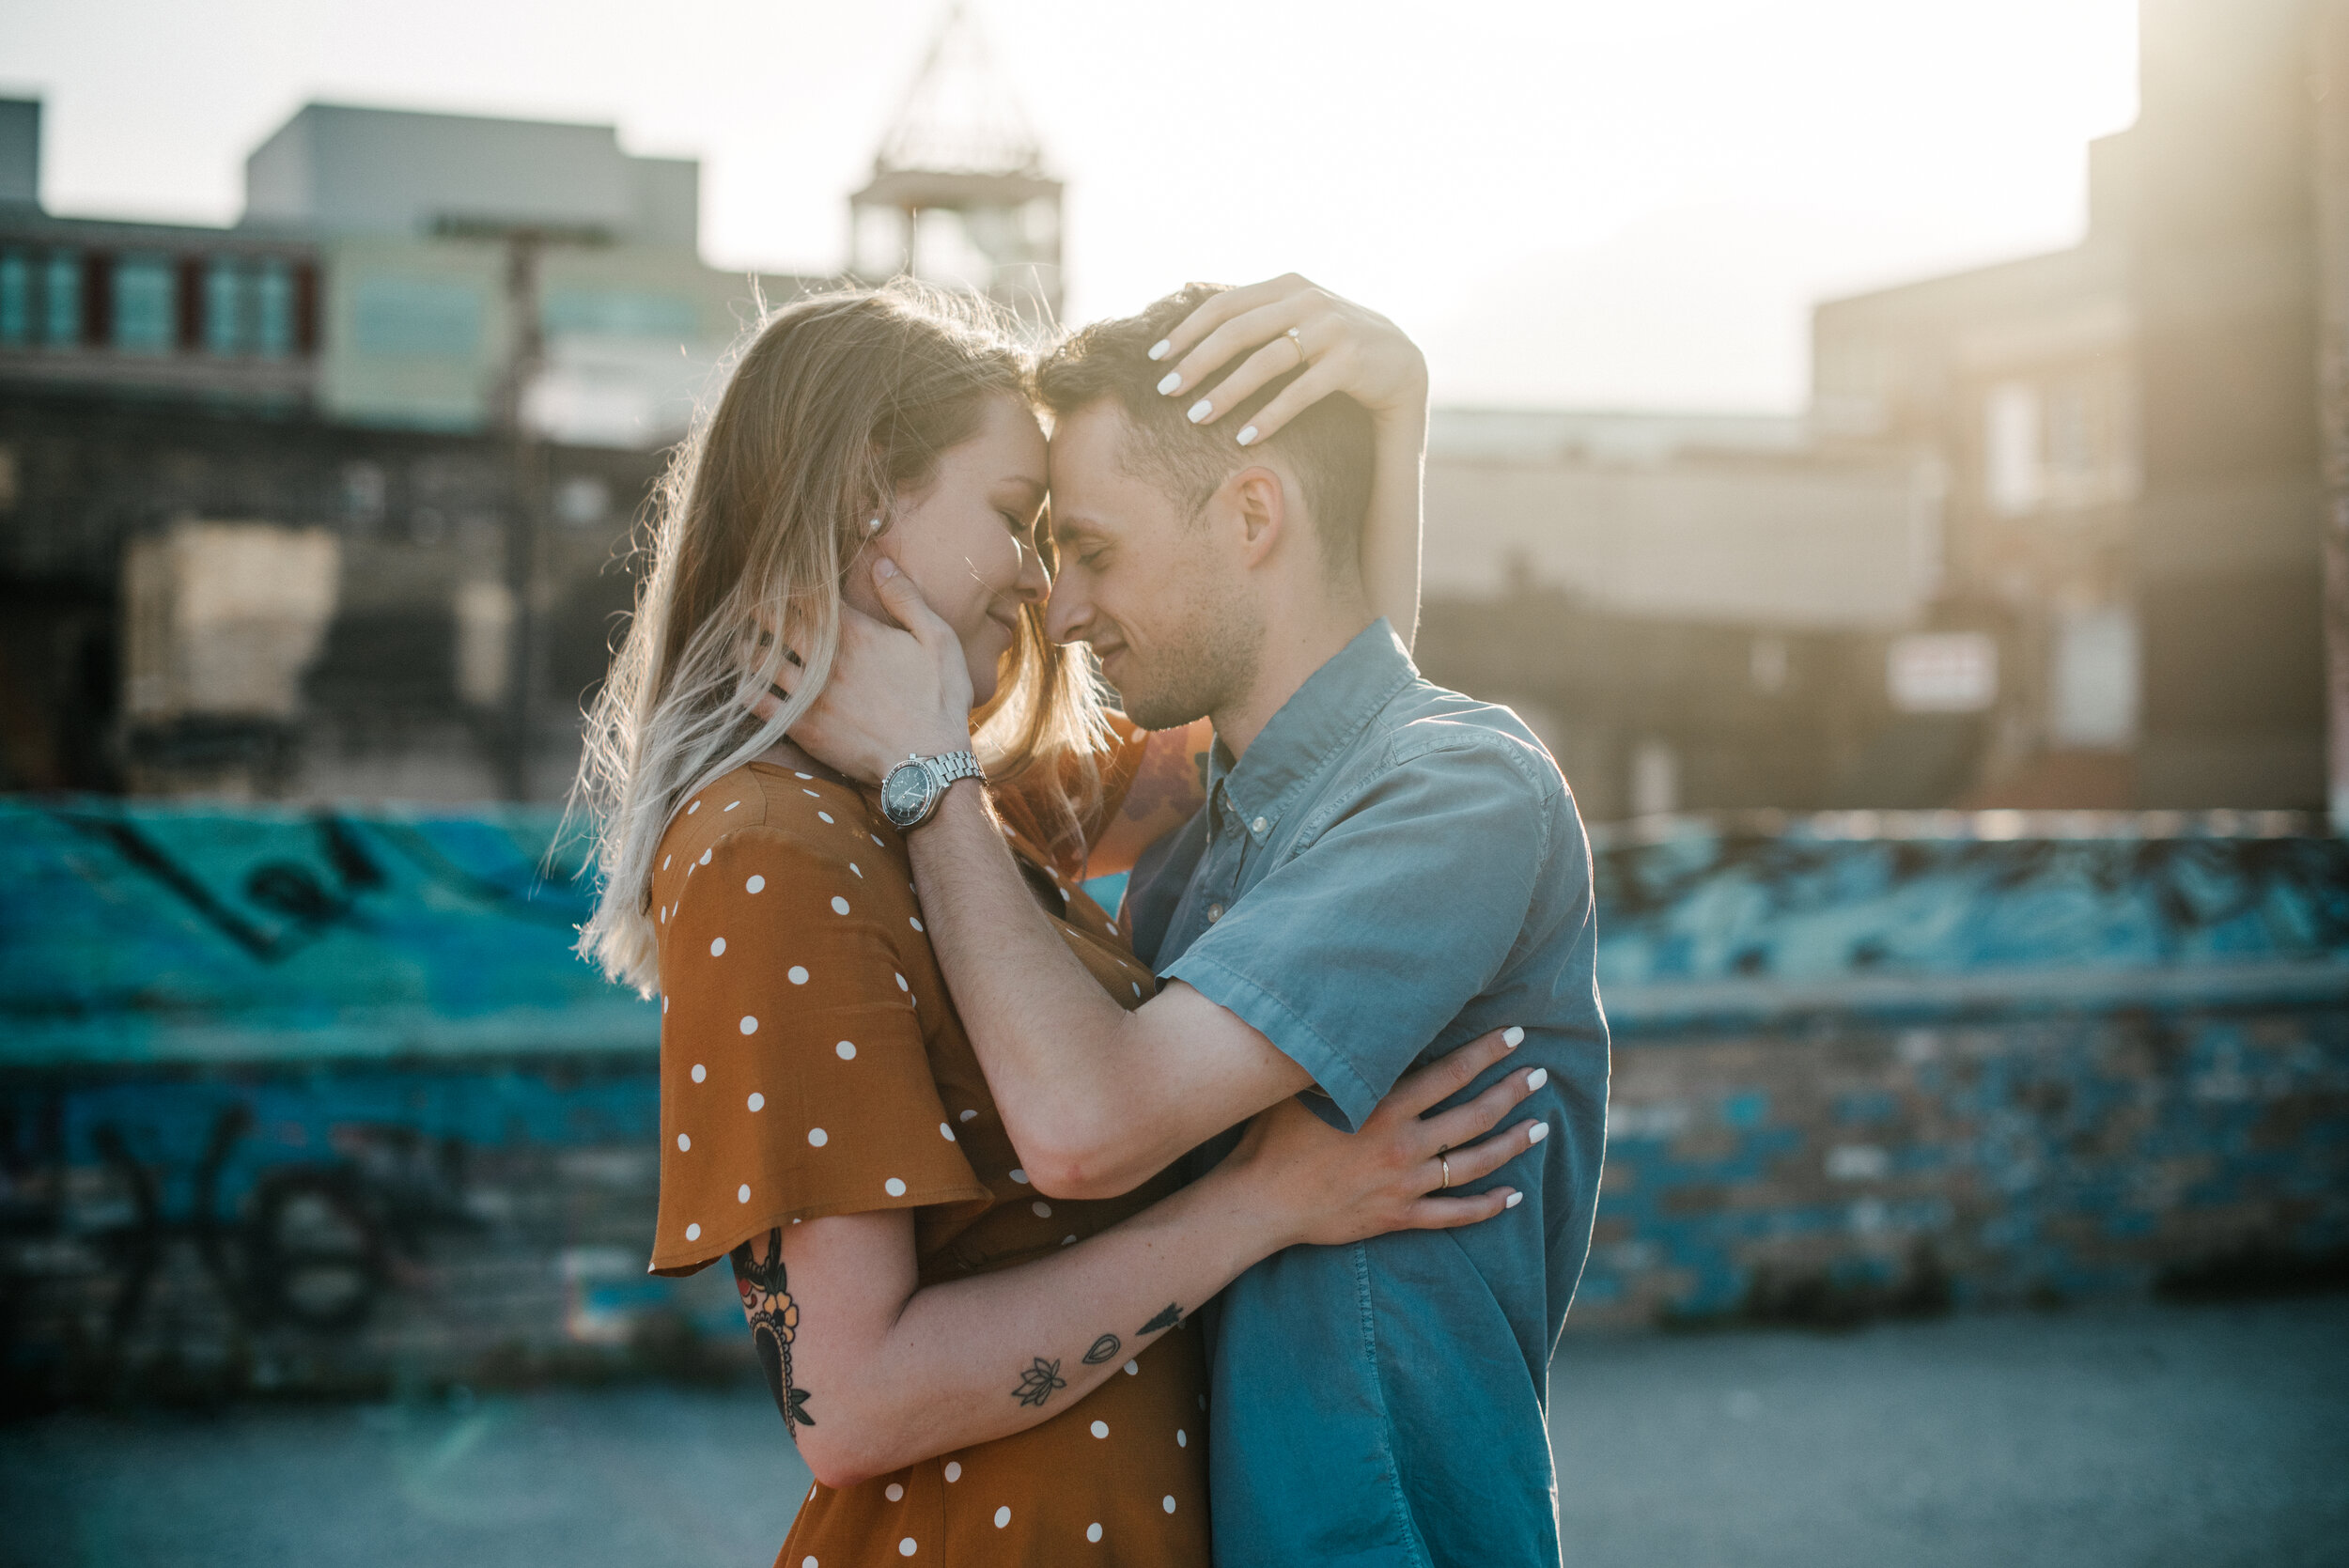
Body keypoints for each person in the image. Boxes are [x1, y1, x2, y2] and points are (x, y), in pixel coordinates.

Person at [569, 282, 1546, 1568]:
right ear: (870, 496)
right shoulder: (777, 846)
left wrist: (1385, 430)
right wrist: (1259, 1204)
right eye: (1018, 521)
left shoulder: (951, 812)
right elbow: (849, 1401)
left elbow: (1319, 743)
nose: (1043, 586)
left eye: (1068, 538)